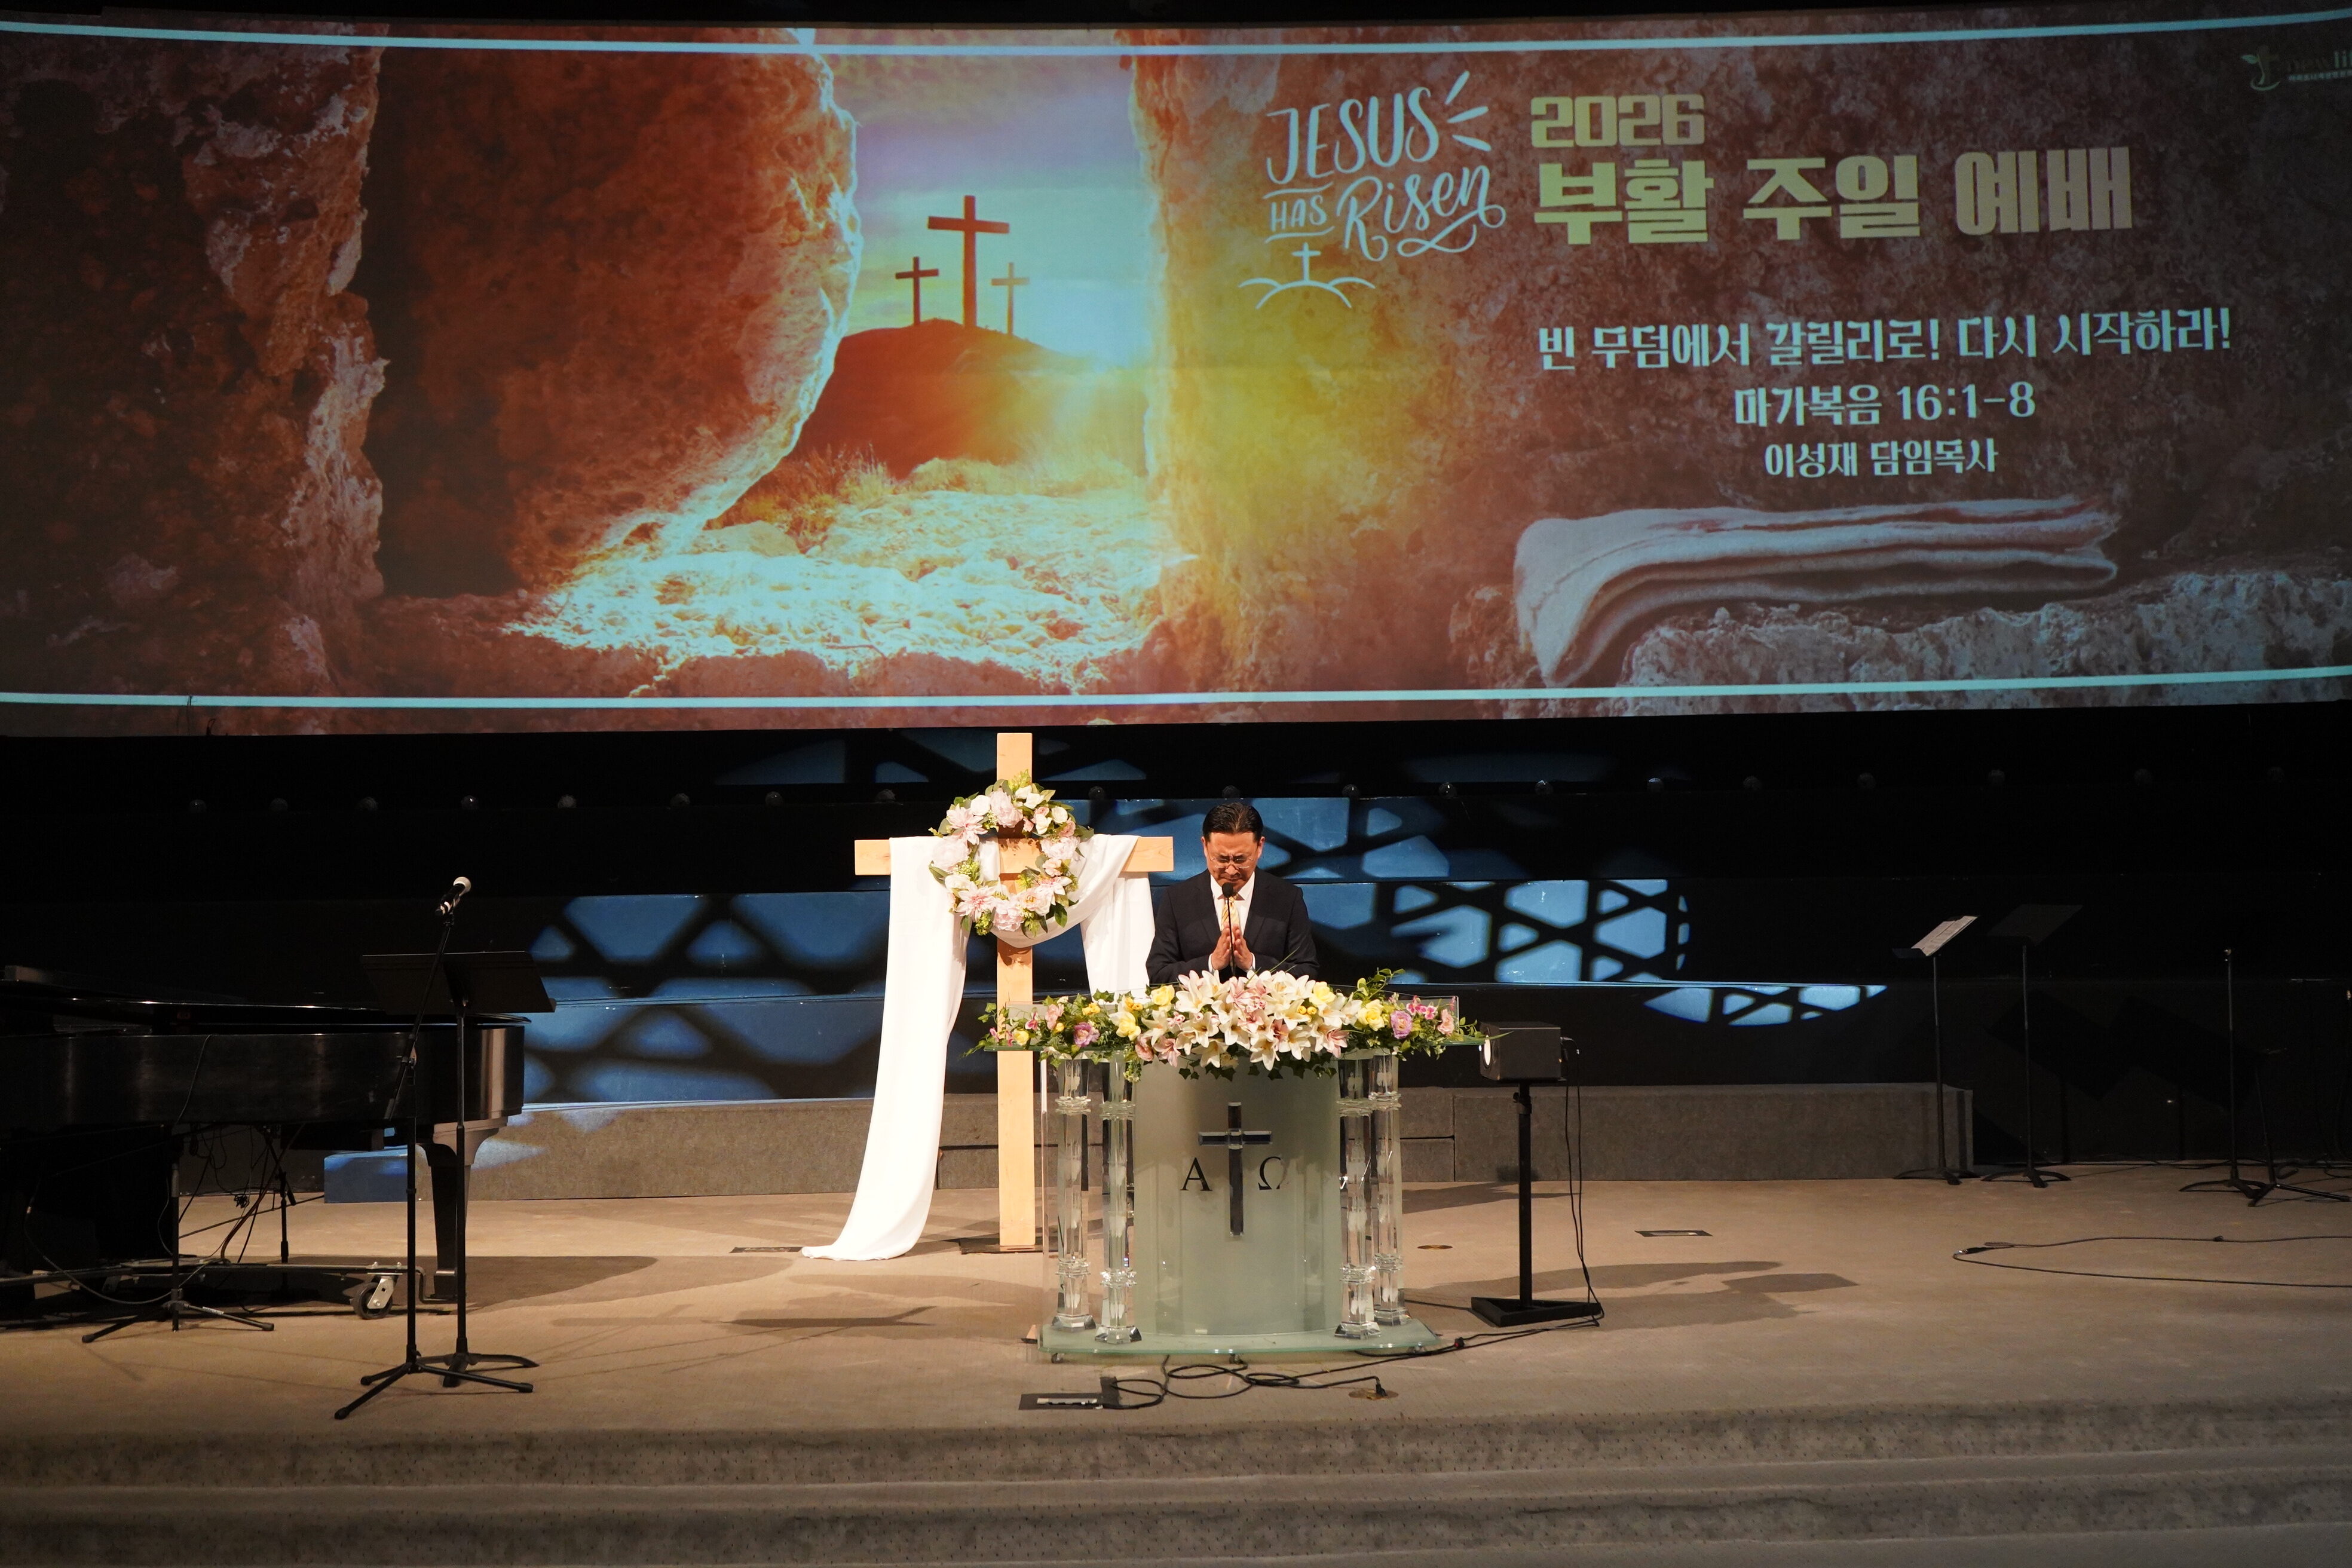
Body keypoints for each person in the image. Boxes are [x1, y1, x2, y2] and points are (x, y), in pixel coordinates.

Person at [1146, 800, 1320, 984]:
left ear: (1260, 847)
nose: (1230, 870)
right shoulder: (1178, 899)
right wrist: (1211, 963)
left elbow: (1307, 969)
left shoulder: (1287, 898)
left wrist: (1252, 963)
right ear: (1205, 846)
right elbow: (1158, 973)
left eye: (1240, 860)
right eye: (1221, 859)